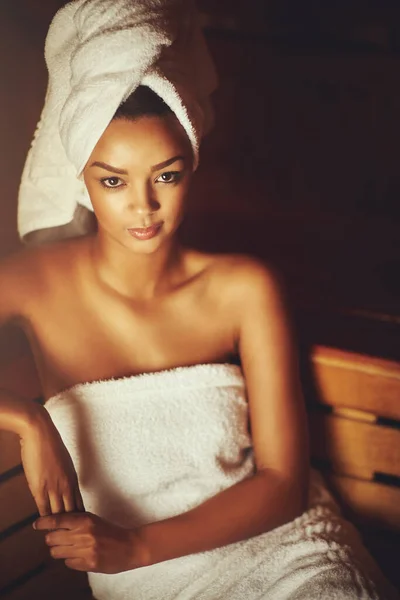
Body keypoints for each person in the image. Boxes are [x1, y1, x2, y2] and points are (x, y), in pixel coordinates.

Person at [1, 2, 397, 598]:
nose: (143, 206)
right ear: (80, 175)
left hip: (289, 555)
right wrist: (27, 420)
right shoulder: (31, 282)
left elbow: (284, 483)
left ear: (193, 166)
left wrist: (134, 545)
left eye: (167, 175)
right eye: (113, 180)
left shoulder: (244, 288)